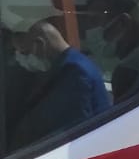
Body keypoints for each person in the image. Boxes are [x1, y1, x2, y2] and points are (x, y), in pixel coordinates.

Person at [4, 12, 110, 150]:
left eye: (25, 53)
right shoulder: (65, 65)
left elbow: (74, 127)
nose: (21, 60)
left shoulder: (75, 72)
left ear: (40, 44)